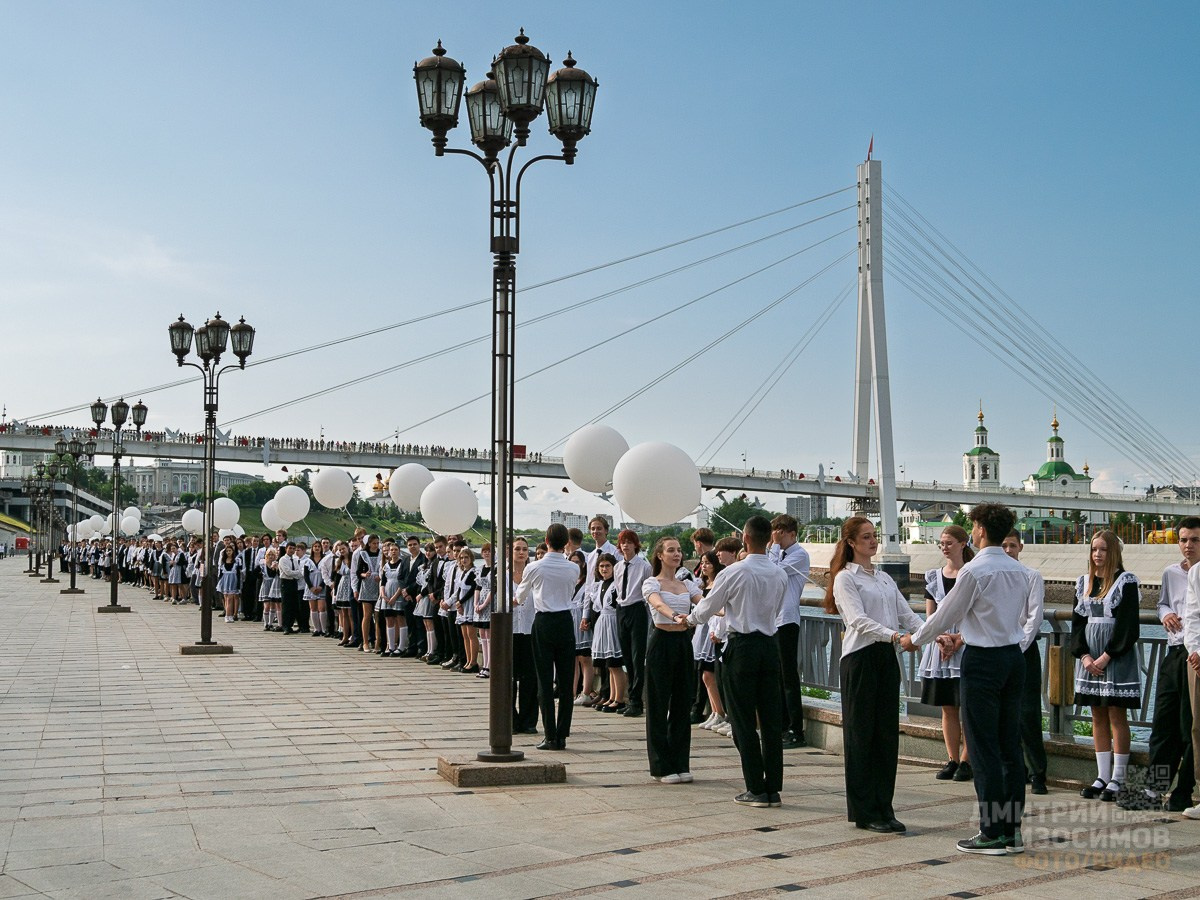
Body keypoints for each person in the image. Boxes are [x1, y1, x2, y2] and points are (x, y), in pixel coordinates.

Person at [901, 503, 1042, 855]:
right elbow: (1025, 619)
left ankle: (992, 831)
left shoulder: (975, 571)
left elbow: (947, 613)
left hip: (982, 661)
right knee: (1009, 745)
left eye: (974, 525)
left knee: (982, 747)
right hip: (1014, 658)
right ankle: (1011, 830)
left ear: (979, 530)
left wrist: (914, 640)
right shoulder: (1020, 571)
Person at [681, 515, 787, 808]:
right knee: (769, 719)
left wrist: (688, 620)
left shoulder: (733, 572)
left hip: (741, 646)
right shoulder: (779, 574)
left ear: (745, 539)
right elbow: (778, 609)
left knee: (741, 718)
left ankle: (755, 787)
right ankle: (773, 788)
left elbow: (707, 608)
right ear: (768, 540)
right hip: (769, 645)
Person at [827, 516, 923, 833]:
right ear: (851, 542)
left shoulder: (882, 578)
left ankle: (885, 807)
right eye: (866, 537)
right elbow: (857, 620)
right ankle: (865, 811)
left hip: (885, 657)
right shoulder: (845, 579)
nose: (873, 541)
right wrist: (896, 637)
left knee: (885, 735)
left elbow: (907, 615)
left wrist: (932, 636)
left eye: (874, 535)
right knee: (860, 736)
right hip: (860, 659)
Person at [1120, 518, 1200, 811]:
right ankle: (1153, 789)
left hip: (1196, 656)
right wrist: (1165, 614)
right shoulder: (1171, 573)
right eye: (1183, 540)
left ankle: (1184, 791)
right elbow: (1163, 602)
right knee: (1163, 723)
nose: (1187, 546)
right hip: (1174, 652)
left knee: (1190, 725)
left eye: (1194, 540)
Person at [1072, 530, 1142, 802]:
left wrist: (1107, 656)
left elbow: (1128, 626)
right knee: (1096, 715)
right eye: (1093, 549)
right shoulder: (1084, 583)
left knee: (1116, 715)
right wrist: (1085, 656)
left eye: (1102, 549)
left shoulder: (1125, 582)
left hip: (1115, 656)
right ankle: (1102, 775)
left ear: (1113, 552)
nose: (1097, 554)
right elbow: (1078, 626)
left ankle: (1119, 778)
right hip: (1091, 658)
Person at [918, 525, 975, 783]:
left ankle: (967, 759)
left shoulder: (971, 574)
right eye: (942, 542)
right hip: (940, 645)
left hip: (966, 642)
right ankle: (952, 758)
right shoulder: (933, 577)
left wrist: (959, 640)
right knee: (948, 707)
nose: (944, 546)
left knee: (969, 707)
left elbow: (975, 614)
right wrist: (940, 638)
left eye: (949, 542)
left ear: (963, 544)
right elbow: (931, 617)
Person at [643, 537, 702, 784]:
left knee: (681, 703)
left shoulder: (688, 583)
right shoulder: (651, 582)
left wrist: (727, 610)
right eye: (671, 550)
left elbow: (706, 604)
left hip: (682, 644)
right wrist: (676, 614)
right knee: (658, 704)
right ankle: (661, 766)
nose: (676, 554)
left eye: (678, 550)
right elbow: (657, 603)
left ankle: (680, 762)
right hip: (661, 641)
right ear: (660, 555)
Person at [517, 523, 580, 751]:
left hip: (543, 620)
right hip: (565, 620)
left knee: (544, 680)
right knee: (565, 682)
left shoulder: (534, 567)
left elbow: (520, 595)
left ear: (546, 539)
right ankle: (562, 734)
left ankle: (549, 734)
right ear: (566, 543)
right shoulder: (573, 568)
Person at [1001, 529, 1049, 796]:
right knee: (1003, 713)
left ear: (1021, 547)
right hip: (999, 647)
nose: (1008, 551)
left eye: (1012, 546)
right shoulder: (995, 575)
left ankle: (1038, 772)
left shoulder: (1031, 576)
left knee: (1028, 713)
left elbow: (1035, 617)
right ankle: (1013, 768)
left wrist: (1019, 647)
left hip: (1023, 649)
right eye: (1004, 546)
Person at [770, 514, 811, 749]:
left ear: (792, 534)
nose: (776, 536)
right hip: (772, 621)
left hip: (787, 620)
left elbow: (776, 574)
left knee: (788, 676)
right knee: (776, 676)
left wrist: (774, 549)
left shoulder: (799, 555)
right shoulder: (776, 553)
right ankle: (783, 726)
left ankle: (797, 728)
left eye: (781, 533)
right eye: (775, 532)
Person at [614, 530, 652, 717]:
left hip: (637, 608)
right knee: (626, 655)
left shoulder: (644, 566)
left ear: (635, 545)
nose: (625, 545)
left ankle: (637, 700)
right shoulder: (618, 567)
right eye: (623, 542)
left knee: (638, 655)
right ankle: (630, 697)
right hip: (622, 609)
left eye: (629, 542)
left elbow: (648, 591)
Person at [586, 553, 627, 713]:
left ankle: (619, 699)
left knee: (615, 664)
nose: (604, 569)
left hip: (612, 623)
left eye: (607, 566)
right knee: (609, 665)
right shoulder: (600, 585)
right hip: (603, 623)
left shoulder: (616, 585)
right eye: (601, 566)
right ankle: (611, 696)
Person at [1183, 549, 1200, 820]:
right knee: (1199, 727)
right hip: (1199, 660)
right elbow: (1192, 616)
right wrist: (1196, 651)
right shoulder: (1197, 571)